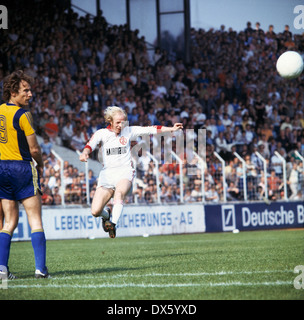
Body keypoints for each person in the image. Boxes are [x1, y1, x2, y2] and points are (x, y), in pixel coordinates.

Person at [79, 106, 183, 238]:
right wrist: (84, 153)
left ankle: (113, 224)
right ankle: (107, 216)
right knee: (95, 211)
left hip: (125, 172)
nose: (120, 125)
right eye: (117, 122)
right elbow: (90, 145)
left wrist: (172, 129)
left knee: (119, 193)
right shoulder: (101, 134)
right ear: (110, 121)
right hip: (107, 175)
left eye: (123, 122)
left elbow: (151, 129)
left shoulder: (129, 131)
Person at [0, 70, 49, 279]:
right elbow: (34, 149)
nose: (30, 94)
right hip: (22, 167)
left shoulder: (0, 111)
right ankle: (40, 270)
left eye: (30, 90)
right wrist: (42, 165)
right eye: (25, 91)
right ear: (13, 92)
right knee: (35, 220)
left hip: (2, 169)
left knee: (8, 222)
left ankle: (1, 269)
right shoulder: (23, 114)